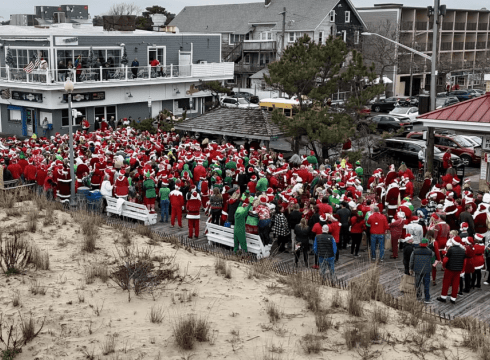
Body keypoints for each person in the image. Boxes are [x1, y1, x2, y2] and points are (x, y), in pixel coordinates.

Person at [437, 236, 466, 304]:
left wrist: (444, 266)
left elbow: (445, 260)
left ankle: (443, 297)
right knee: (455, 284)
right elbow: (464, 261)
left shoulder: (451, 249)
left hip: (449, 269)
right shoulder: (463, 250)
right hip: (458, 270)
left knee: (446, 283)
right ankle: (453, 298)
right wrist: (462, 270)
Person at [410, 238, 434, 304]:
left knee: (418, 283)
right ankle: (427, 298)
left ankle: (418, 297)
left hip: (417, 270)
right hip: (427, 270)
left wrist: (411, 268)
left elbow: (411, 261)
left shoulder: (415, 251)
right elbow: (433, 259)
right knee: (426, 284)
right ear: (427, 244)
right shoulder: (430, 252)